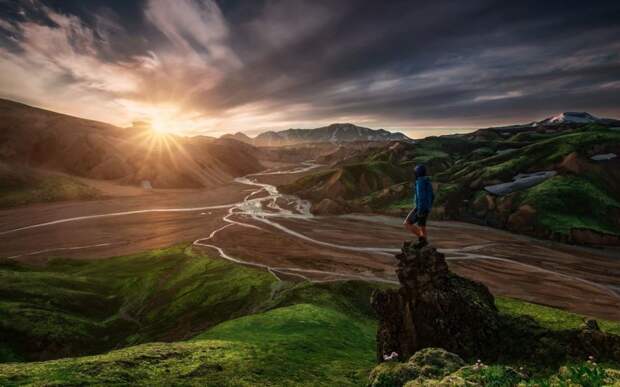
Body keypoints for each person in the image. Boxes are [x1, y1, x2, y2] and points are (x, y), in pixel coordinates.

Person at [403, 164, 434, 248]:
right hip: (426, 207)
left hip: (420, 207)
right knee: (422, 227)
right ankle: (424, 243)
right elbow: (432, 196)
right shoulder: (427, 181)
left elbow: (421, 197)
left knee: (407, 223)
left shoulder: (420, 182)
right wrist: (429, 207)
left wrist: (420, 210)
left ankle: (422, 239)